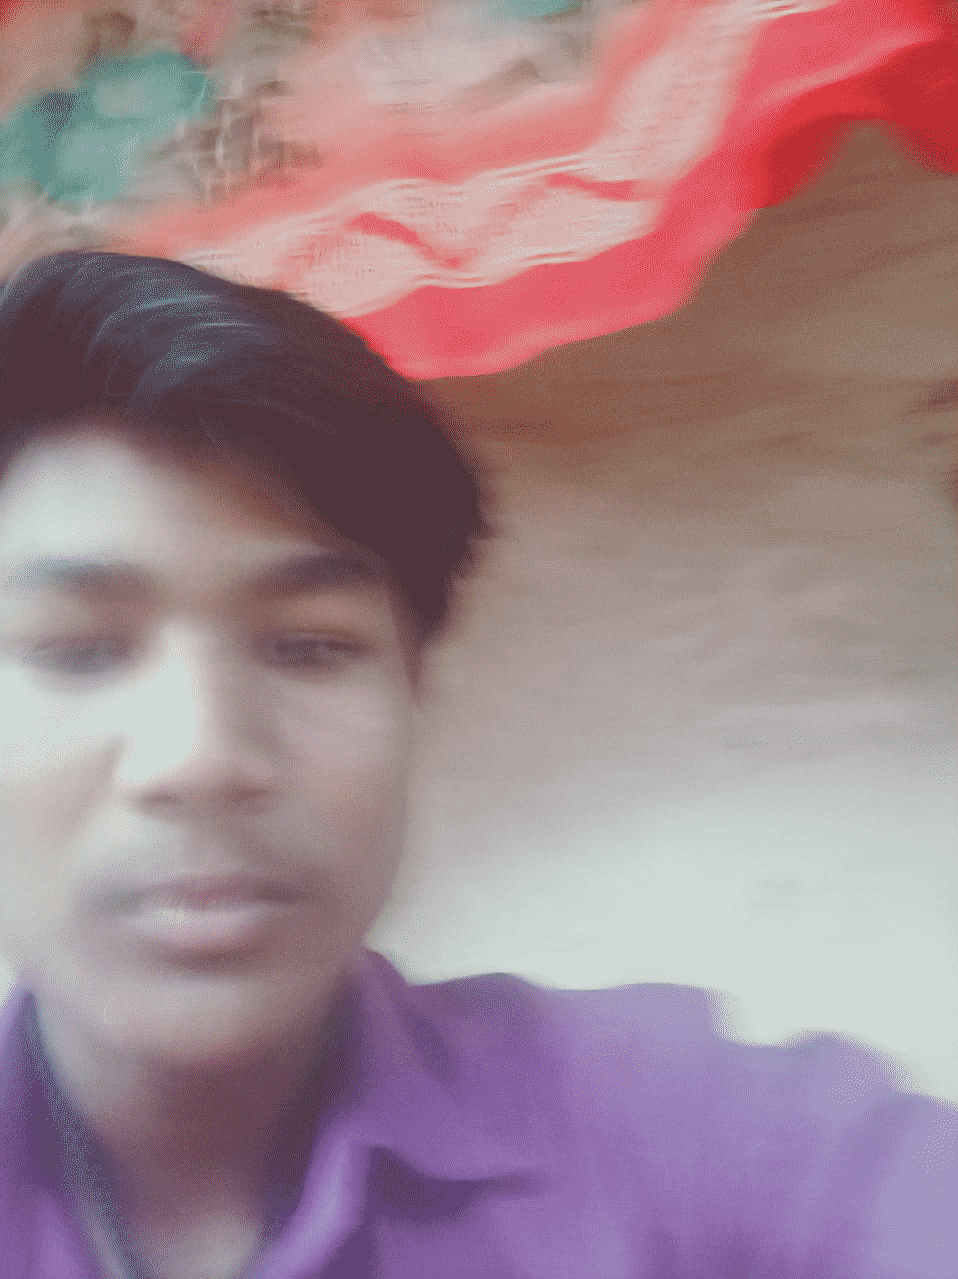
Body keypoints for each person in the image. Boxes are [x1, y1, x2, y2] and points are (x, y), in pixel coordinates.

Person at [0, 249, 954, 1279]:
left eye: (311, 646)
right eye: (76, 649)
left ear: (415, 691)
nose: (203, 756)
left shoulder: (682, 1137)